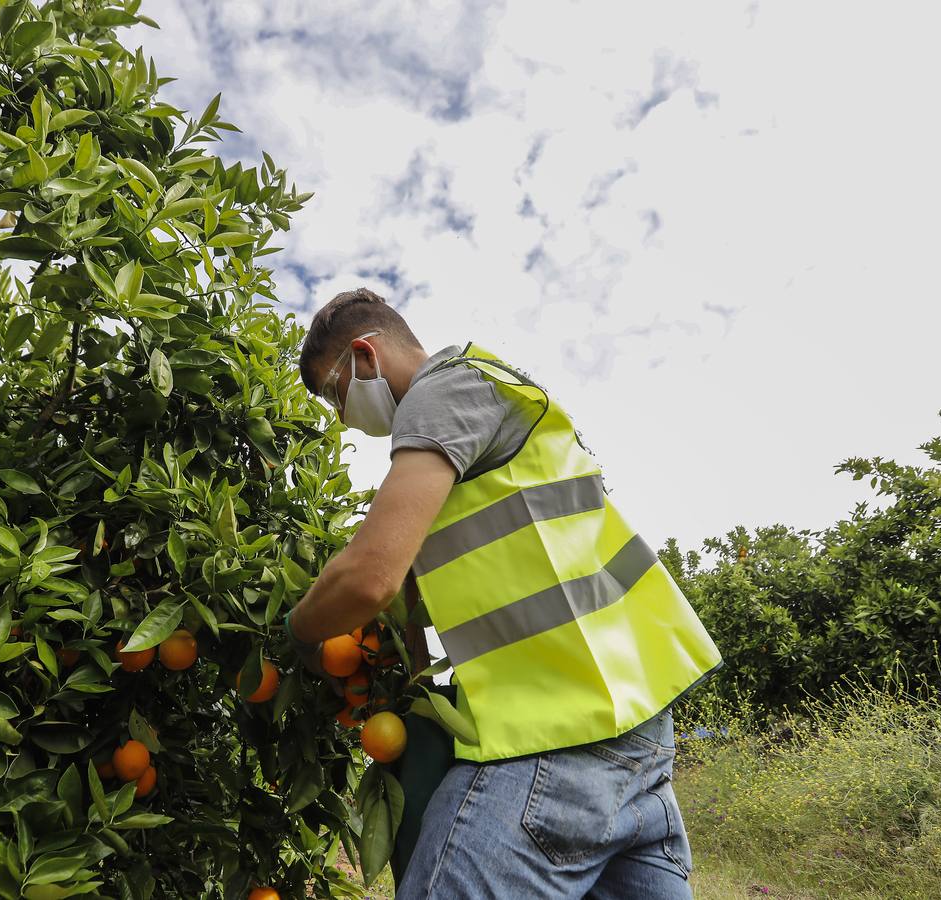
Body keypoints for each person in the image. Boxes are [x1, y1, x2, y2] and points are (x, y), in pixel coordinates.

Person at [282, 287, 724, 899]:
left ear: (365, 354)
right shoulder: (488, 402)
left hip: (554, 738)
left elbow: (369, 575)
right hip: (639, 740)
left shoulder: (441, 390)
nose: (340, 415)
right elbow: (415, 590)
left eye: (335, 392)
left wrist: (301, 630)